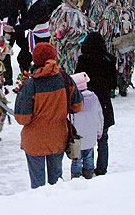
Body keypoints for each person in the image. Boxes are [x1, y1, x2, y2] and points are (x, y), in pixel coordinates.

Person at [14, 42, 83, 188]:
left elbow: (22, 118)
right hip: (58, 137)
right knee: (56, 182)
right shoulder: (65, 79)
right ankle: (57, 208)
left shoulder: (30, 84)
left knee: (38, 185)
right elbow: (77, 106)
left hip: (35, 141)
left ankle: (40, 209)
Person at [75, 32, 117, 176]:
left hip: (86, 103)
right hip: (104, 102)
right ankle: (102, 169)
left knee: (85, 137)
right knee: (103, 138)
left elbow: (77, 81)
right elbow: (113, 84)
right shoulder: (109, 59)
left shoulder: (83, 60)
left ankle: (84, 168)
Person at [70, 74, 103, 179]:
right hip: (90, 135)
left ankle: (75, 178)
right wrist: (99, 132)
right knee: (89, 158)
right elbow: (99, 116)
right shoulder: (94, 98)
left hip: (77, 138)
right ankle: (89, 176)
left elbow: (70, 119)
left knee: (76, 160)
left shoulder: (73, 101)